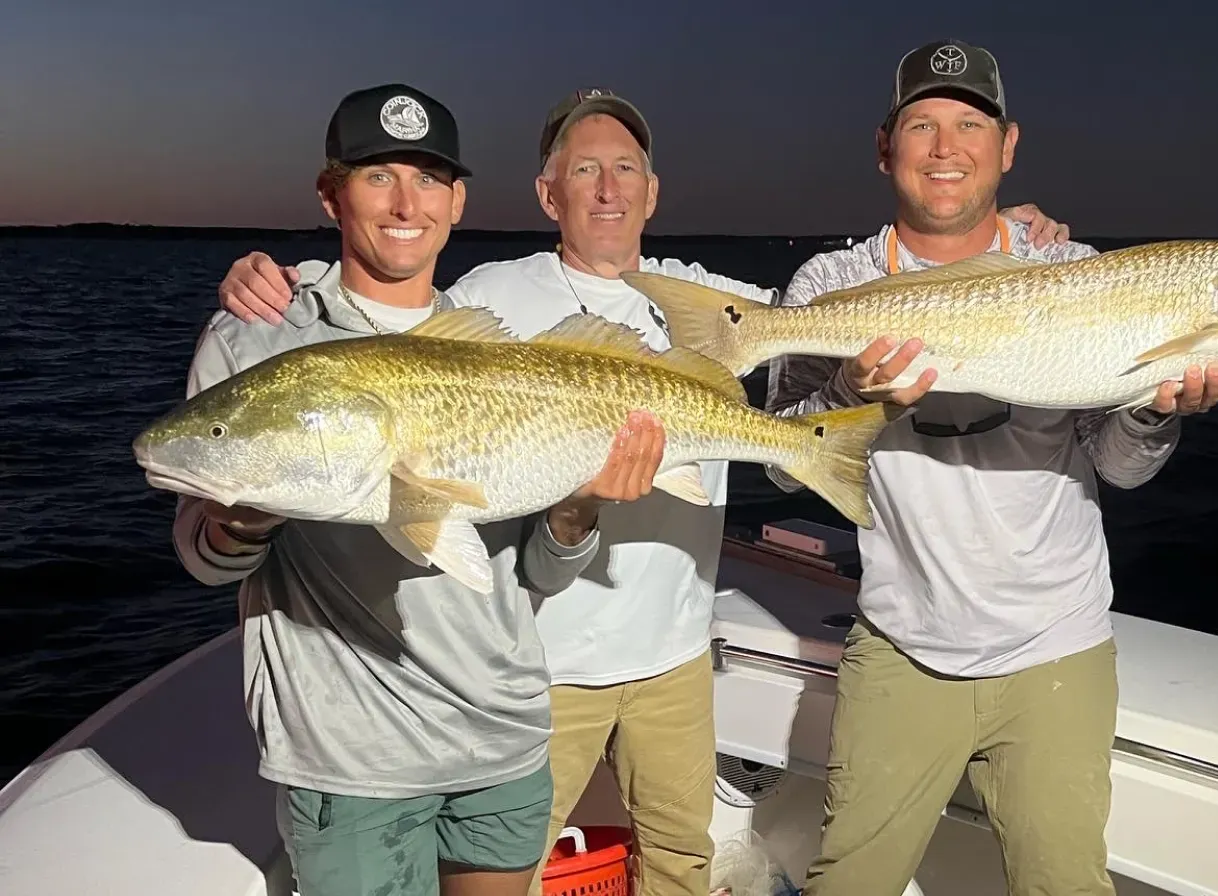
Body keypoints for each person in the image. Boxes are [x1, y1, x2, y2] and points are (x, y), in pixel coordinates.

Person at [211, 88, 1072, 896]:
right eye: (583, 169)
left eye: (625, 168)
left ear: (654, 192)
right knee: (519, 860)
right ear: (548, 194)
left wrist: (1003, 242)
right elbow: (396, 327)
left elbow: (846, 306)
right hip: (548, 666)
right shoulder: (488, 293)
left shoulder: (720, 301)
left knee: (681, 856)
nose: (607, 187)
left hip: (677, 656)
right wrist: (285, 281)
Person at [764, 40, 1218, 896]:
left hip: (1056, 651)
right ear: (886, 147)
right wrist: (850, 390)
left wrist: (1151, 410)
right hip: (901, 645)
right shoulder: (831, 283)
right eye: (921, 124)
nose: (945, 146)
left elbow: (1120, 470)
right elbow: (781, 467)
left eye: (970, 123)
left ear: (1008, 146)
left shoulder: (1073, 273)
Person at [169, 82, 669, 896]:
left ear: (458, 200)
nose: (407, 203)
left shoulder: (484, 333)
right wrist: (247, 514)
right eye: (376, 175)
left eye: (429, 178)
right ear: (331, 191)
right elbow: (204, 558)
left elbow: (536, 576)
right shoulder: (262, 331)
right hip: (353, 761)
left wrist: (581, 506)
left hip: (504, 736)